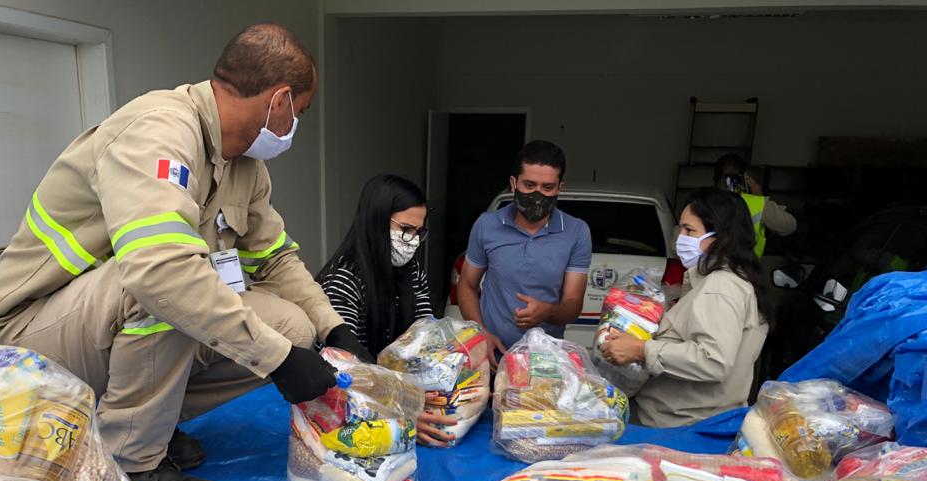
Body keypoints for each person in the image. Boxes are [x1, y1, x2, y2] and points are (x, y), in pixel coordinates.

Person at [0, 24, 369, 481]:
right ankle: (131, 465)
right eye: (300, 113)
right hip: (28, 340)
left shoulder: (243, 165)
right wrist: (278, 362)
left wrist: (333, 329)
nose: (294, 126)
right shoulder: (157, 130)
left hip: (99, 332)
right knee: (168, 284)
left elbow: (276, 257)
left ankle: (149, 422)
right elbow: (159, 272)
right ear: (280, 100)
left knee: (291, 326)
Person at [600, 187, 771, 427]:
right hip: (687, 420)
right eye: (682, 228)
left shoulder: (720, 286)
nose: (680, 237)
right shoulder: (723, 280)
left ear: (721, 237)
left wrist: (642, 350)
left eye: (690, 230)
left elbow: (713, 360)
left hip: (682, 426)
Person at [318, 174, 458, 447]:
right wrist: (401, 413)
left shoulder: (412, 271)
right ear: (377, 221)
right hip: (352, 402)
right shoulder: (343, 280)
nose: (413, 241)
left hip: (396, 394)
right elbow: (344, 370)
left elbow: (425, 338)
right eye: (406, 229)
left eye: (418, 232)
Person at [457, 140, 591, 369]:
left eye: (547, 188)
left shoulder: (576, 232)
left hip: (544, 364)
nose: (537, 194)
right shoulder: (486, 225)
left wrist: (546, 311)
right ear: (513, 183)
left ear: (560, 188)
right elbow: (467, 285)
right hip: (490, 358)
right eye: (529, 185)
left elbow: (573, 304)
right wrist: (480, 333)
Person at [714, 153, 797, 258]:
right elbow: (790, 226)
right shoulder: (755, 203)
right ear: (744, 178)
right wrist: (760, 198)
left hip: (707, 268)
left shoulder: (700, 201)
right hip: (744, 268)